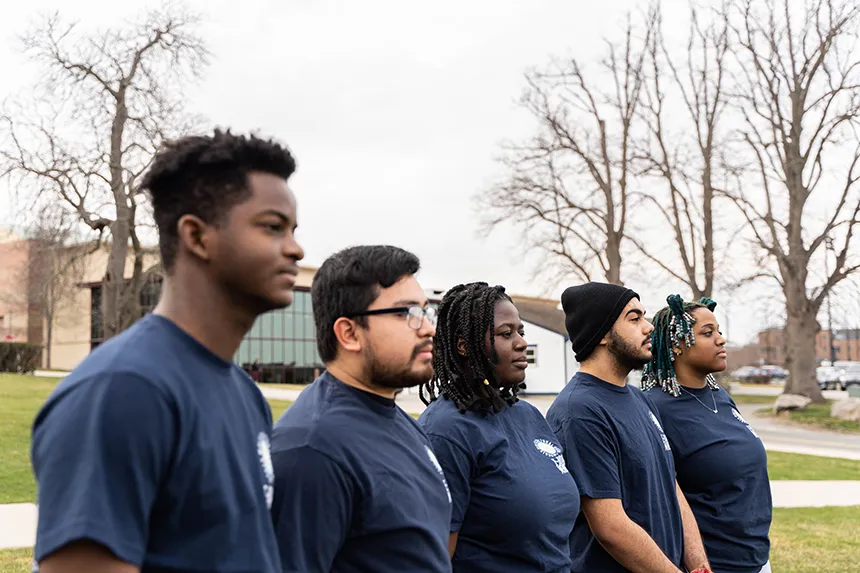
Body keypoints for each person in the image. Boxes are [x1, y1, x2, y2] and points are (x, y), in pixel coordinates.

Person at [30, 130, 304, 573]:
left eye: (293, 230)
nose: (295, 248)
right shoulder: (123, 391)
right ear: (197, 236)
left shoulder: (244, 393)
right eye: (273, 227)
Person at [270, 245, 452, 573]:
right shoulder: (312, 449)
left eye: (426, 311)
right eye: (406, 313)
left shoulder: (402, 422)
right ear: (350, 333)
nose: (427, 328)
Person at [546, 282, 712, 573]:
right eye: (634, 319)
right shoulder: (579, 411)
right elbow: (611, 527)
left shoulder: (638, 398)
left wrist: (699, 565)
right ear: (601, 335)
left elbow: (670, 486)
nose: (648, 327)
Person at [418, 282, 579, 572]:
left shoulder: (528, 415)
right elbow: (435, 557)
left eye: (521, 332)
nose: (521, 343)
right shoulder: (446, 431)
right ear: (463, 346)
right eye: (506, 334)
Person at [643, 295, 772, 573]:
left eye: (719, 331)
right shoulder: (654, 407)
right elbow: (658, 492)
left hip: (756, 558)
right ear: (676, 344)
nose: (721, 340)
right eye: (707, 333)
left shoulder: (720, 396)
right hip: (710, 564)